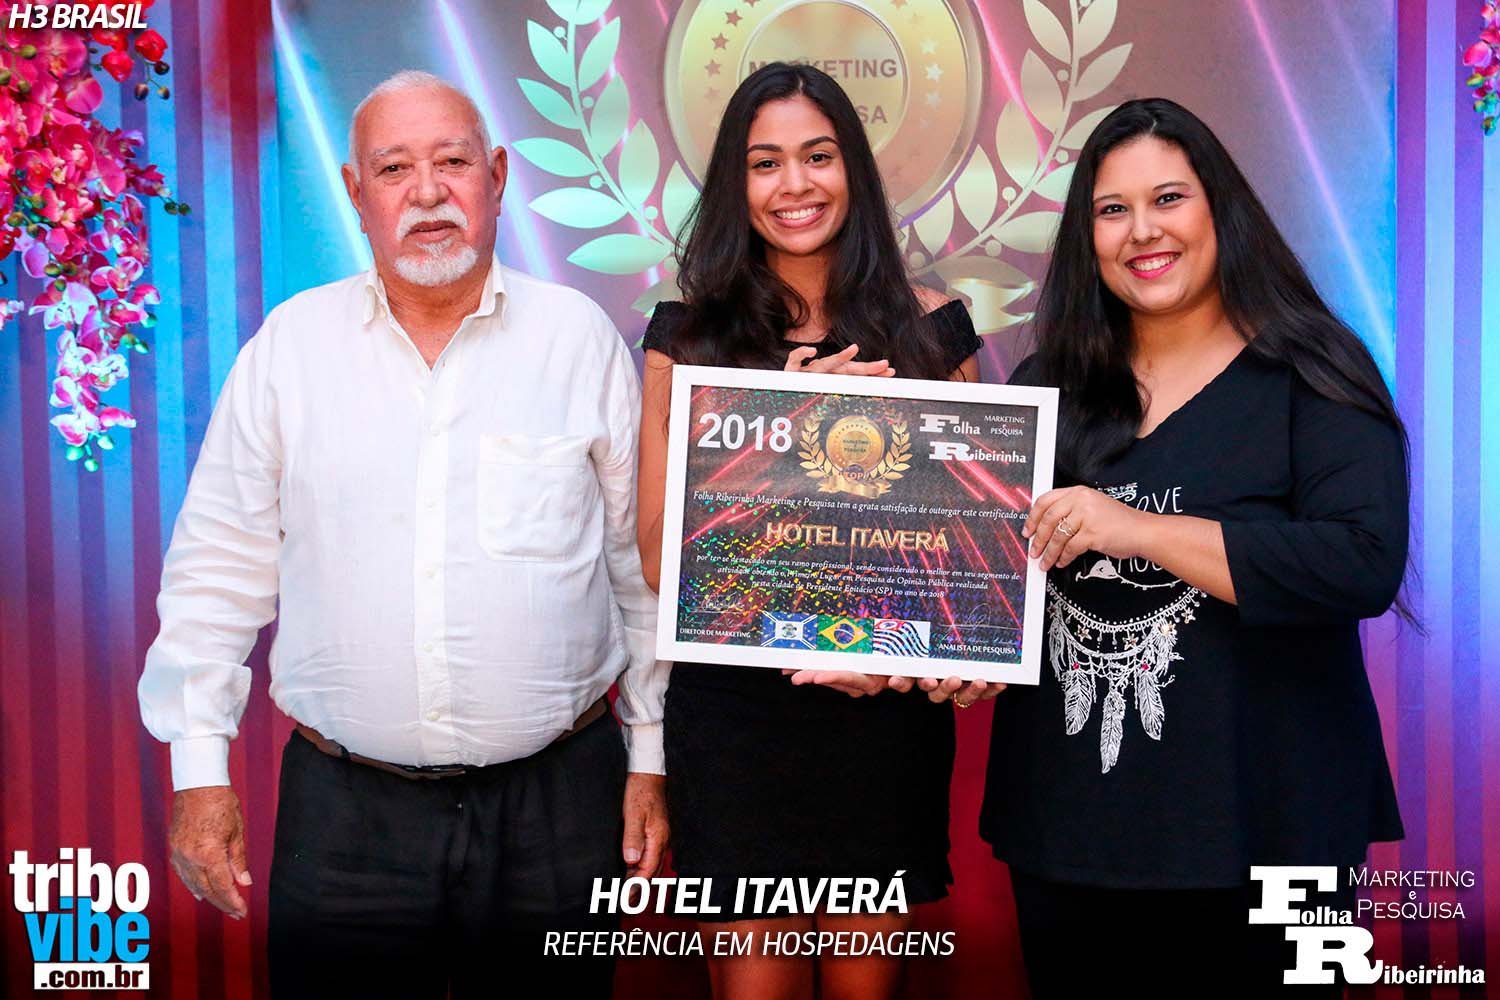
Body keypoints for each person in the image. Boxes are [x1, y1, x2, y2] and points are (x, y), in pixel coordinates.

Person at [137, 70, 669, 998]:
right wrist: (199, 770)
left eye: (452, 162)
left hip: (559, 805)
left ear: (497, 176)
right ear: (356, 191)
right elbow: (216, 569)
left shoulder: (576, 339)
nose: (427, 193)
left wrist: (652, 753)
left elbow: (639, 565)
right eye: (394, 169)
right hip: (347, 819)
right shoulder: (291, 349)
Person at [924, 98, 1408, 995]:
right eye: (1113, 210)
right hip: (1071, 836)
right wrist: (959, 651)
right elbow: (994, 582)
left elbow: (1361, 564)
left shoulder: (1312, 370)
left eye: (1169, 199)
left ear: (1221, 208)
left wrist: (1135, 528)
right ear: (1088, 236)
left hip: (1275, 830)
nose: (1142, 231)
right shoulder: (1047, 386)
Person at [635, 62, 983, 1000]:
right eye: (765, 163)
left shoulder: (934, 332)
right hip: (737, 721)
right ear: (736, 183)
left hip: (881, 716)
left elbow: (966, 553)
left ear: (853, 169)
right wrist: (784, 433)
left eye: (818, 156)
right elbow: (662, 557)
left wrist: (886, 650)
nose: (795, 184)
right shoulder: (688, 340)